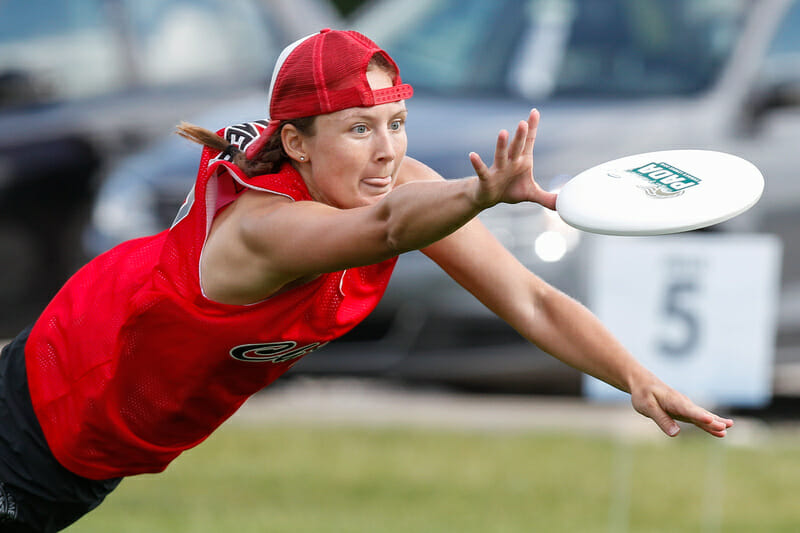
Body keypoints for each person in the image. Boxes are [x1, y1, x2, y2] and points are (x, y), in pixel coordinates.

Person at [0, 29, 733, 532]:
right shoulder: (264, 229)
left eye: (398, 122)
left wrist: (634, 374)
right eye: (359, 129)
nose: (387, 152)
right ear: (296, 143)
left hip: (89, 446)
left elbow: (532, 299)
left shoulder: (396, 187)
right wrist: (480, 194)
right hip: (35, 428)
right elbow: (384, 232)